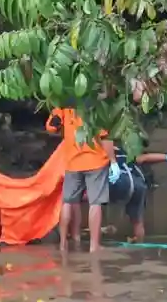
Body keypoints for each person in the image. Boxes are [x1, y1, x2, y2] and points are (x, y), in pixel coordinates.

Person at [46, 107, 119, 253]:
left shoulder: (63, 105)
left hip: (72, 162)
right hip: (96, 161)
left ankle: (63, 244)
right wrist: (113, 161)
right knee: (95, 203)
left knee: (68, 201)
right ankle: (94, 246)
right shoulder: (96, 105)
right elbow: (105, 137)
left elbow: (51, 128)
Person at [107, 145, 167, 242]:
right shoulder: (126, 151)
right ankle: (139, 244)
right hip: (137, 185)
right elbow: (144, 158)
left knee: (95, 202)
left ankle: (103, 231)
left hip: (117, 183)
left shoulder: (101, 152)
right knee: (138, 221)